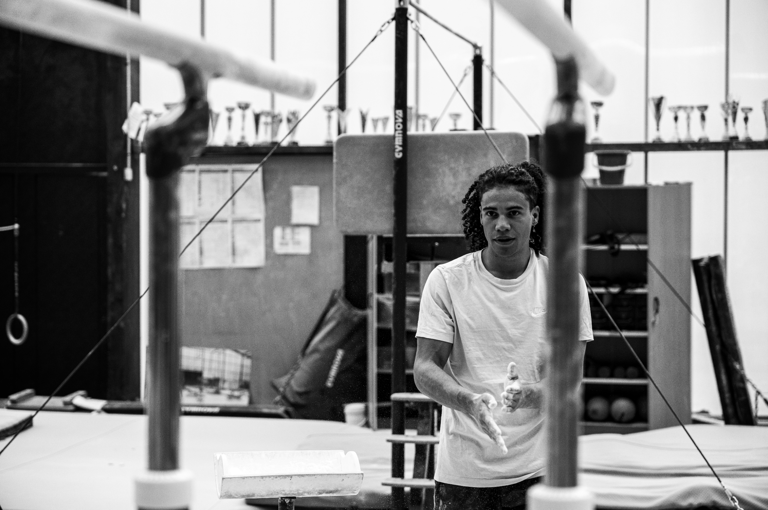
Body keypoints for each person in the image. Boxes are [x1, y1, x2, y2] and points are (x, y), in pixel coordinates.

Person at [413, 161, 593, 510]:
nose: (502, 225)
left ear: (535, 215)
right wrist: (468, 401)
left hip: (539, 469)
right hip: (465, 472)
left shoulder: (564, 283)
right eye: (491, 213)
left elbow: (568, 379)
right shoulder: (447, 280)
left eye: (514, 212)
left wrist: (528, 395)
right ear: (480, 217)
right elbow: (424, 368)